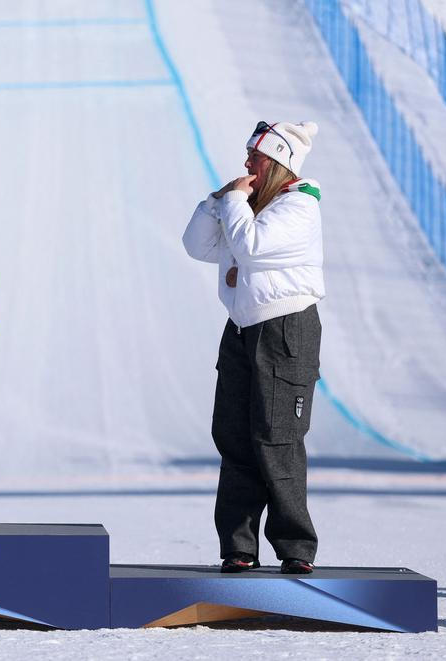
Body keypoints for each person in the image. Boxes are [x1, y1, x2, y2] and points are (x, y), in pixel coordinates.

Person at [182, 121, 324, 575]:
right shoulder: (250, 205)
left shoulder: (300, 206)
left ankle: (295, 545)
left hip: (286, 329)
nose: (246, 165)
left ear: (279, 163)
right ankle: (238, 546)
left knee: (277, 438)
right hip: (242, 329)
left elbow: (252, 246)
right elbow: (197, 245)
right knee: (234, 437)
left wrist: (234, 202)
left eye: (255, 158)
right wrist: (215, 200)